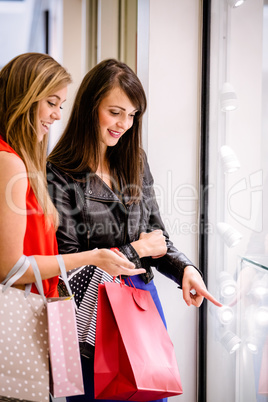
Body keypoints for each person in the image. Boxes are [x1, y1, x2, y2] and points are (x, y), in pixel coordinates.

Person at [47, 58, 222, 402]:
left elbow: (156, 236)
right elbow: (67, 263)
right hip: (87, 318)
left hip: (140, 303)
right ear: (89, 106)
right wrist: (135, 251)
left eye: (132, 115)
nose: (124, 124)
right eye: (115, 112)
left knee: (151, 393)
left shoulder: (134, 161)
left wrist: (184, 268)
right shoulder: (59, 173)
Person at [0, 53, 144, 300]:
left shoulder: (21, 162)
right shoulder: (10, 163)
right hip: (26, 310)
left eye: (61, 105)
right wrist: (98, 256)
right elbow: (10, 268)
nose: (57, 115)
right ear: (24, 99)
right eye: (51, 103)